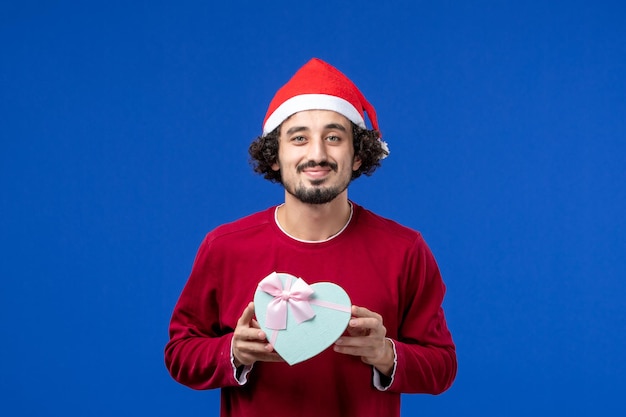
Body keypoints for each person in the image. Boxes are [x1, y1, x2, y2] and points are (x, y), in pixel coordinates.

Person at [164, 58, 457, 417]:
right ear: (275, 156)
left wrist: (385, 353)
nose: (317, 154)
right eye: (299, 138)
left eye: (333, 138)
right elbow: (179, 353)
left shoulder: (404, 249)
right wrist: (233, 352)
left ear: (358, 156)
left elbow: (443, 365)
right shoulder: (224, 247)